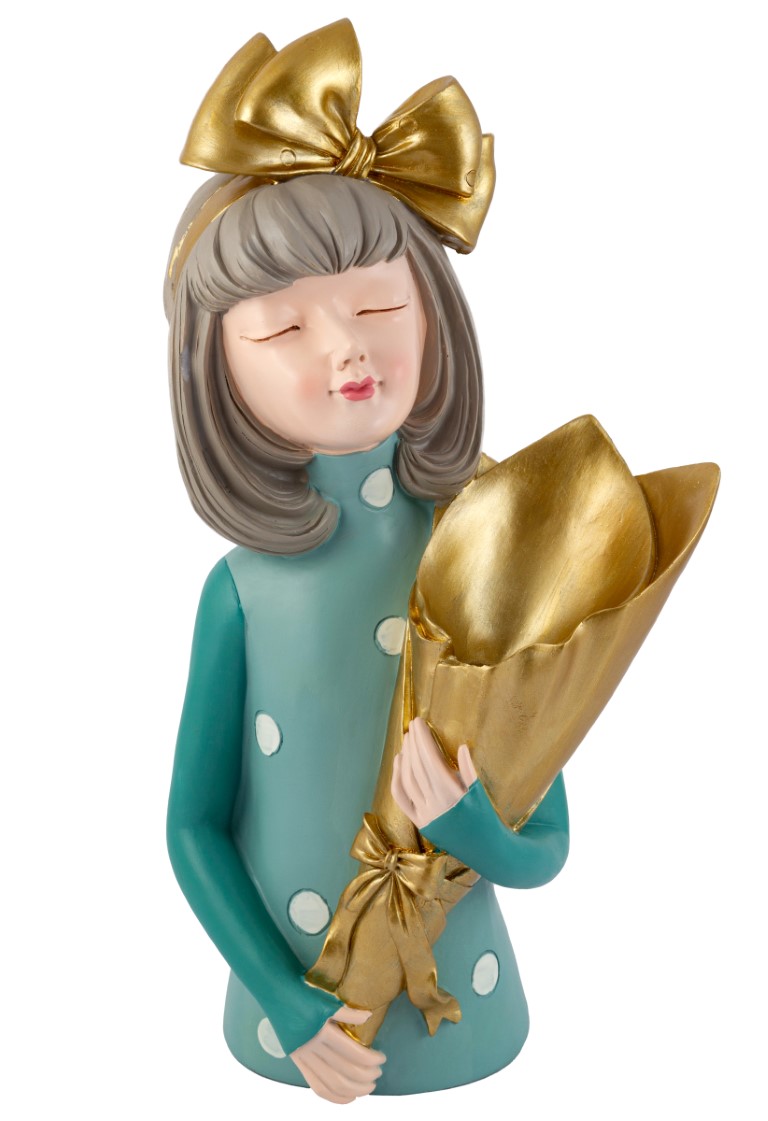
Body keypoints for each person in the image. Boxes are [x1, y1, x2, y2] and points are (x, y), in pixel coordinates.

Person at [165, 23, 570, 1103]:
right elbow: (192, 826)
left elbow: (549, 842)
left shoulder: (482, 552)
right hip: (286, 1025)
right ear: (215, 370)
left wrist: (469, 828)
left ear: (433, 314)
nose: (345, 346)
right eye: (283, 330)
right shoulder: (241, 593)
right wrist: (288, 1001)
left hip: (468, 1018)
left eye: (377, 306)